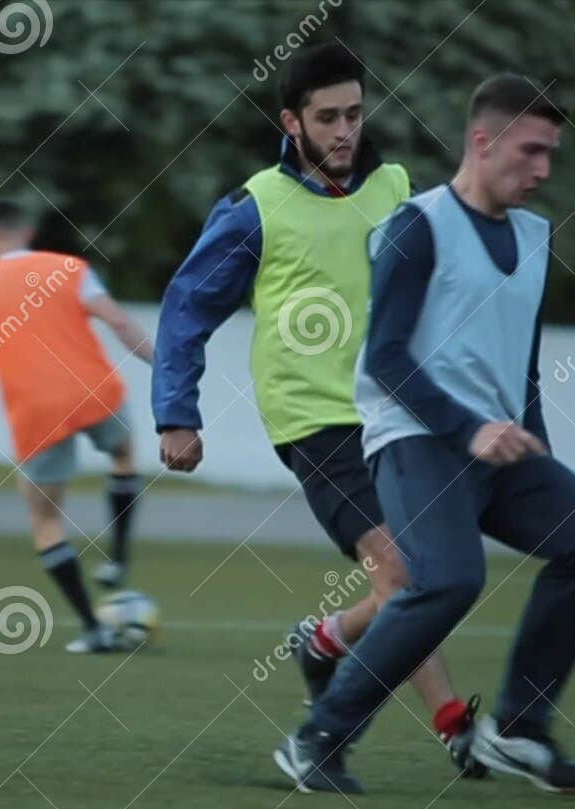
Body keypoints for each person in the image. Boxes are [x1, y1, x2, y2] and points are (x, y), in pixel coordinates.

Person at [274, 75, 575, 796]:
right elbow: (386, 359)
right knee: (447, 581)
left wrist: (538, 457)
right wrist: (469, 430)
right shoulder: (418, 226)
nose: (543, 170)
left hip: (499, 449)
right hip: (416, 440)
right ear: (483, 141)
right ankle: (317, 740)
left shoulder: (535, 235)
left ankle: (520, 732)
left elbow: (520, 368)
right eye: (531, 151)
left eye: (551, 154)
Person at [153, 42, 478, 765]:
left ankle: (325, 640)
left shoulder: (397, 187)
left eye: (355, 114)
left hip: (393, 410)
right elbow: (185, 309)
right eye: (326, 117)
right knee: (403, 571)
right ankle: (447, 726)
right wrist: (177, 412)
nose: (344, 131)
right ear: (291, 122)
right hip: (313, 417)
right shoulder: (253, 208)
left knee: (420, 574)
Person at [0, 200, 154, 653]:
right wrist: (163, 367)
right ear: (27, 233)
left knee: (46, 521)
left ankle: (93, 629)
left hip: (36, 414)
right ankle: (117, 559)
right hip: (94, 392)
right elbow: (119, 321)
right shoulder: (70, 268)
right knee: (123, 453)